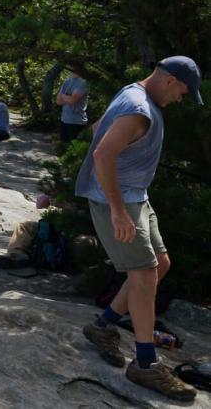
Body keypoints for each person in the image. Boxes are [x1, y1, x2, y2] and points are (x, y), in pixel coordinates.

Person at [77, 56, 202, 401]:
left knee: (158, 265)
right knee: (145, 274)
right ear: (171, 81)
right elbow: (103, 155)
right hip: (119, 202)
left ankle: (102, 327)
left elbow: (97, 129)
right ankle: (145, 364)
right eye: (184, 93)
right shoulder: (138, 108)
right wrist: (117, 209)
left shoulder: (132, 95)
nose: (181, 100)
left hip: (134, 196)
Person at [57, 70, 90, 143]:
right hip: (64, 120)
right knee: (63, 149)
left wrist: (63, 96)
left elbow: (72, 100)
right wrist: (68, 97)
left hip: (77, 122)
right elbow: (58, 101)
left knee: (74, 150)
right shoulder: (67, 81)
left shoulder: (84, 82)